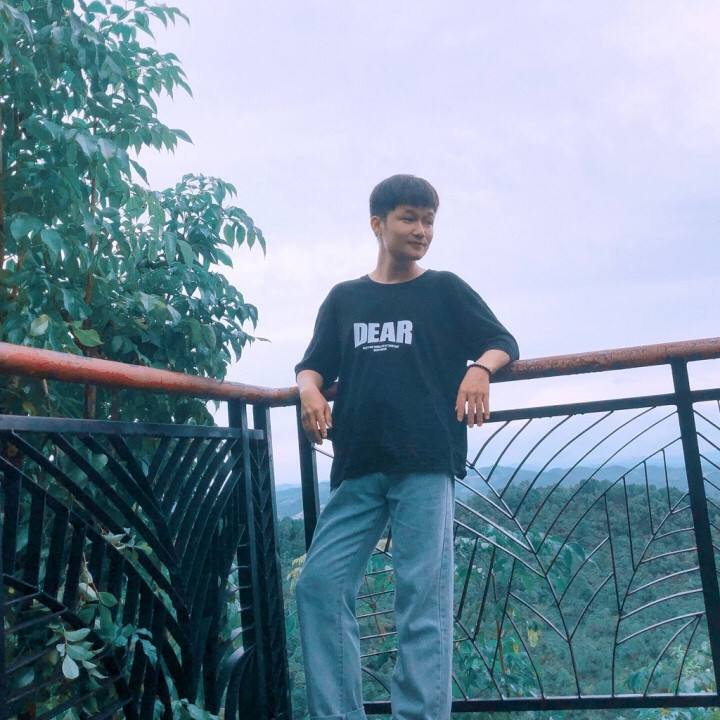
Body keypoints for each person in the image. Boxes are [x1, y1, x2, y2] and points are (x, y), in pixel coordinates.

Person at [294, 174, 519, 720]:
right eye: (409, 218)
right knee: (319, 586)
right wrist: (308, 390)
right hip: (358, 463)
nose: (422, 230)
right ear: (378, 224)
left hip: (425, 460)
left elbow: (502, 342)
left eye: (429, 221)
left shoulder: (444, 290)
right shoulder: (345, 298)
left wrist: (479, 369)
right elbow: (314, 363)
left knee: (422, 603)